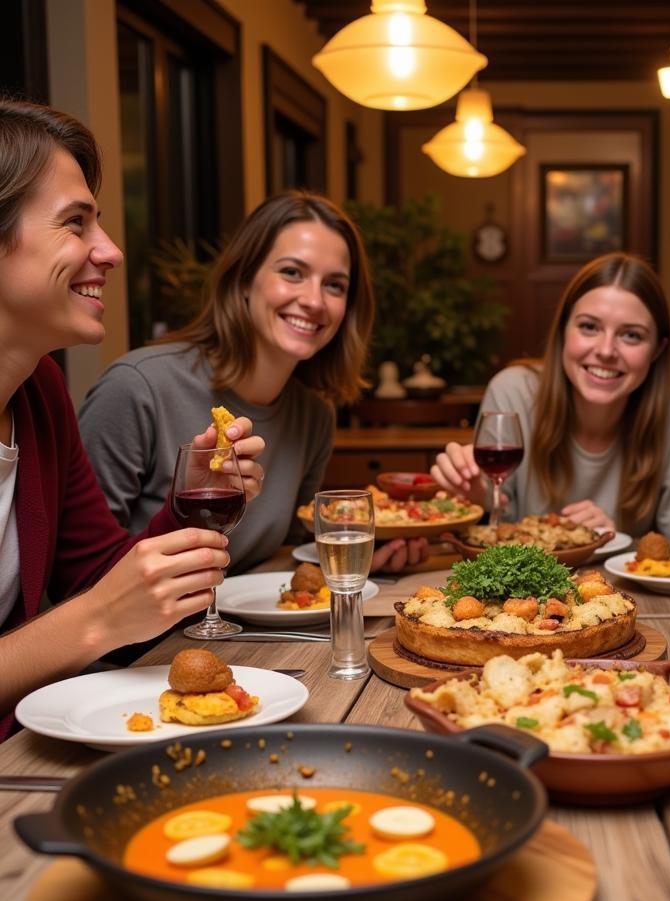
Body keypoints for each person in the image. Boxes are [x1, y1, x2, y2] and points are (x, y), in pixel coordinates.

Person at [0, 98, 263, 725]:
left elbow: (105, 585)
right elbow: (97, 614)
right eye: (76, 223)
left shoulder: (40, 394)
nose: (111, 251)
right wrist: (93, 621)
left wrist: (190, 500)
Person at [79, 191, 424, 575]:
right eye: (292, 272)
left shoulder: (314, 416)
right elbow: (76, 576)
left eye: (335, 285)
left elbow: (289, 552)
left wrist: (358, 559)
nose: (314, 300)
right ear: (244, 279)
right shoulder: (137, 388)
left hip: (238, 632)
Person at [431, 252, 670, 537]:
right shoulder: (512, 393)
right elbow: (494, 532)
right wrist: (477, 499)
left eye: (631, 335)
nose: (605, 351)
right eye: (589, 327)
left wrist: (619, 544)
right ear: (563, 330)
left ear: (657, 350)